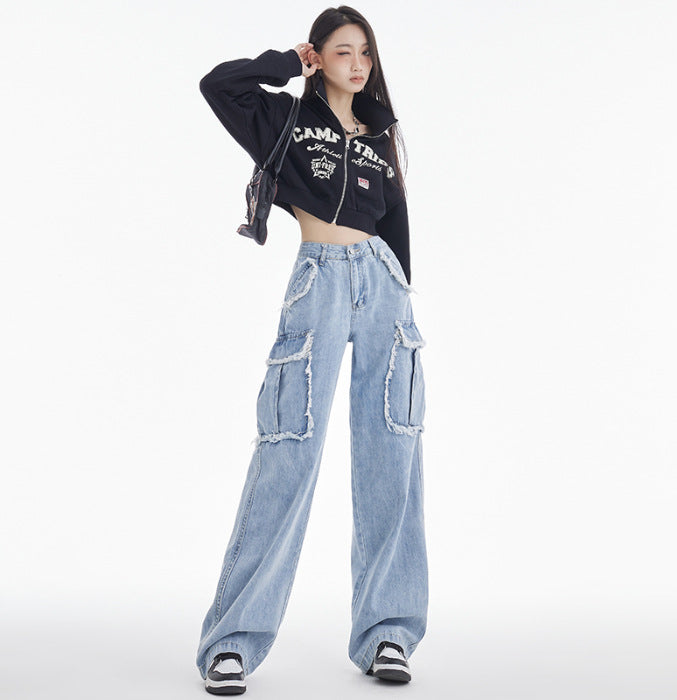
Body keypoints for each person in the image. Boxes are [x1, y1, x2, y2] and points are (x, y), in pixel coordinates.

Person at [195, 6, 428, 694]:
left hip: (383, 288)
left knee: (392, 453)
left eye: (366, 53)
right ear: (318, 56)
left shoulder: (380, 135)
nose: (358, 64)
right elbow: (218, 85)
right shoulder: (287, 120)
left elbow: (395, 227)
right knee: (286, 452)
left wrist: (403, 298)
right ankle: (232, 642)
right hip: (318, 281)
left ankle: (388, 633)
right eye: (342, 51)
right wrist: (284, 62)